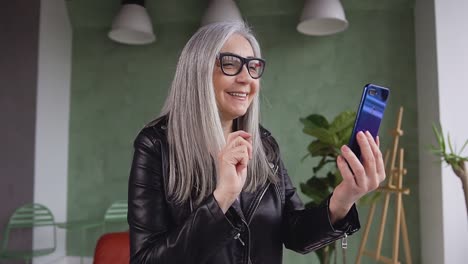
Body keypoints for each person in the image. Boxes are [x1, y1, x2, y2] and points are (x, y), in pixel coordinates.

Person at [127, 22, 385, 264]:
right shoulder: (156, 145)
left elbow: (295, 233)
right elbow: (146, 259)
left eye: (252, 67)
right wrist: (223, 197)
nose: (246, 78)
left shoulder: (264, 145)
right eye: (230, 64)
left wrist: (341, 201)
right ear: (197, 71)